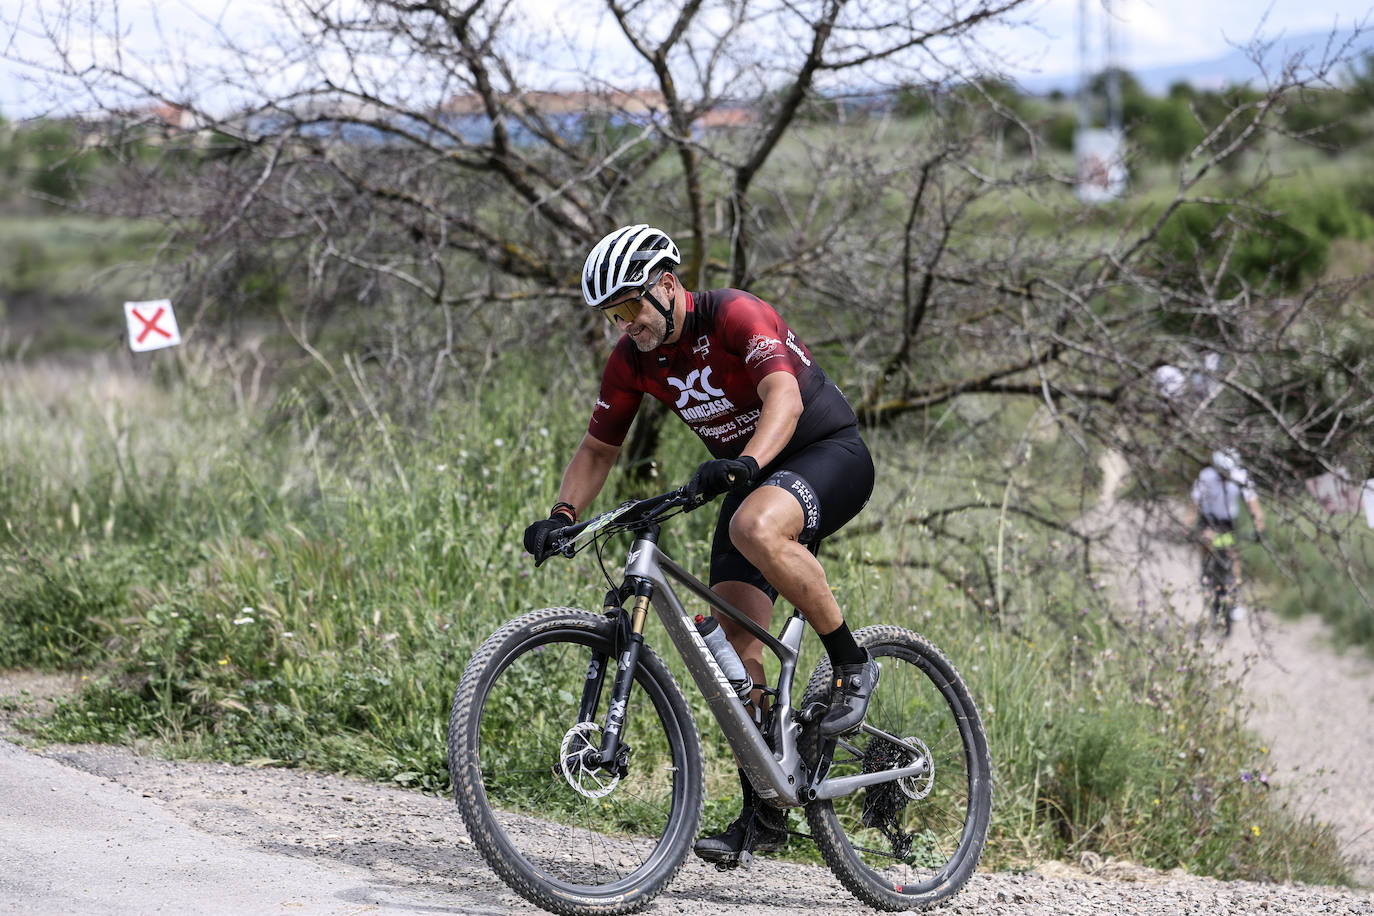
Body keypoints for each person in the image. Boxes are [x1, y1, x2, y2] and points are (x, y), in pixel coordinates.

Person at [522, 224, 877, 866]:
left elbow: (784, 398)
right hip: (749, 474)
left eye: (629, 307)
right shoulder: (633, 360)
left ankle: (853, 664)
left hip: (826, 453)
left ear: (666, 284)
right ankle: (766, 812)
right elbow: (602, 445)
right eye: (612, 315)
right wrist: (562, 512)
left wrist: (745, 462)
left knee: (754, 526)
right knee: (732, 656)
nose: (623, 325)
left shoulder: (736, 314)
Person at [1185, 448, 1265, 616]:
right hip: (1208, 520)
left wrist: (1259, 527)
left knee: (1232, 556)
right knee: (1206, 543)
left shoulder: (1241, 476)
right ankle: (1206, 578)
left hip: (1227, 523)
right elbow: (1194, 504)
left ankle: (1234, 597)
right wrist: (1187, 526)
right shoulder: (1206, 476)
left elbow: (1253, 503)